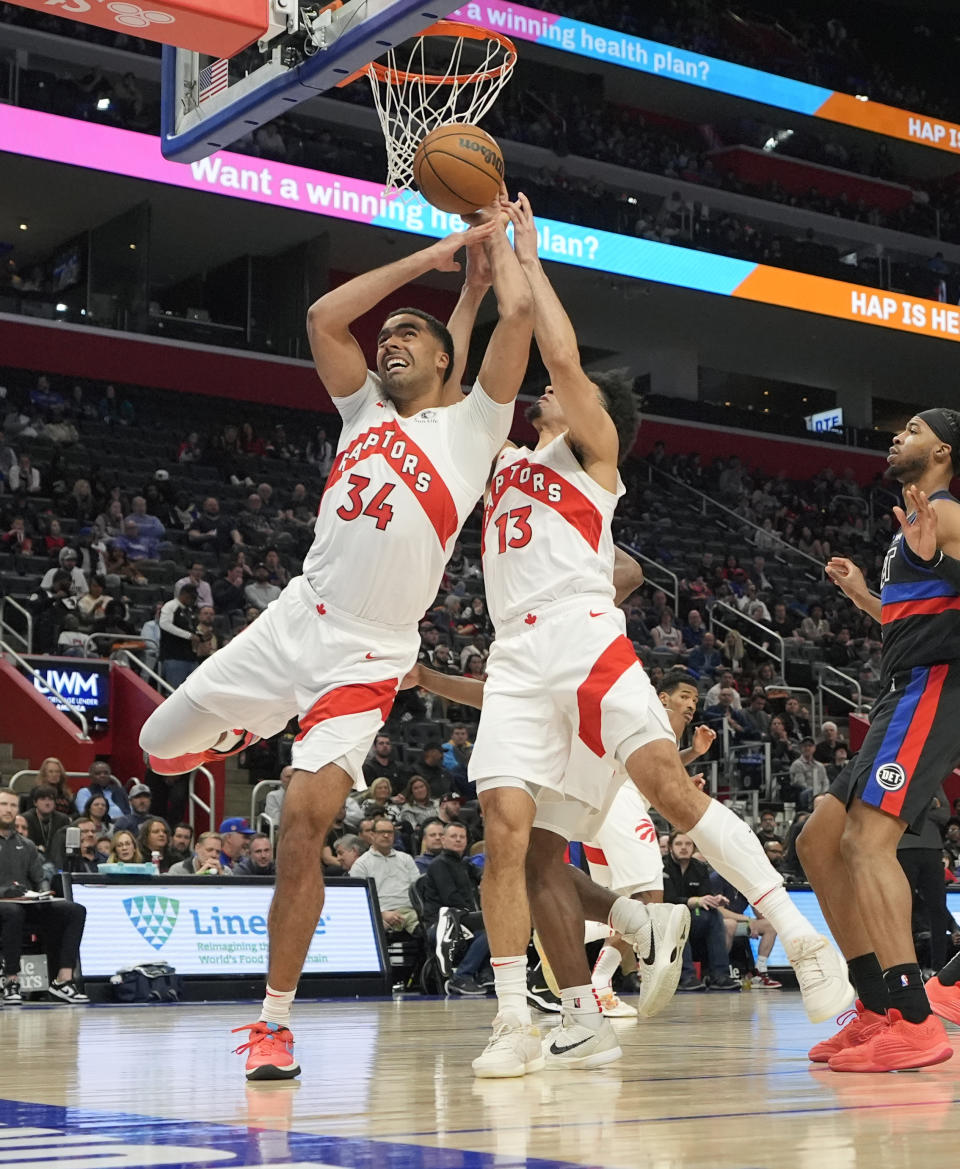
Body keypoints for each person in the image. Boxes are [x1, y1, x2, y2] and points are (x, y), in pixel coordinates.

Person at [460, 193, 849, 1077]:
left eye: (563, 391)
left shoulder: (593, 454)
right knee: (516, 837)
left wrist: (529, 253)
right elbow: (499, 360)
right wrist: (485, 280)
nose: (547, 391)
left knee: (667, 787)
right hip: (515, 650)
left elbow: (556, 350)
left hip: (581, 630)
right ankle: (536, 1017)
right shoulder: (506, 461)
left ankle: (798, 934)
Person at [142, 213, 532, 1082]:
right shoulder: (362, 409)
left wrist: (504, 265)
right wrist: (439, 268)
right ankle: (247, 726)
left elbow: (515, 325)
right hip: (293, 621)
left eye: (407, 336)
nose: (388, 338)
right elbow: (324, 317)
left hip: (368, 657)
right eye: (385, 332)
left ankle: (274, 1022)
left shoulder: (473, 432)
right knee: (158, 752)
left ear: (443, 362)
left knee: (303, 826)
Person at [799, 408, 960, 1072]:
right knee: (816, 838)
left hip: (934, 686)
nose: (898, 436)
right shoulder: (919, 525)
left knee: (867, 841)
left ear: (944, 450)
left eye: (913, 429)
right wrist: (865, 595)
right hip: (901, 687)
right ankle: (873, 1007)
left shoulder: (947, 513)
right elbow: (911, 616)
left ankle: (914, 1019)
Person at [0, 789, 89, 1004]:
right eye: (3, 804)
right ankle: (10, 980)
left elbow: (39, 878)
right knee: (13, 911)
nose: (8, 810)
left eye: (13, 805)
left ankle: (63, 980)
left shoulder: (27, 845)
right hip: (6, 906)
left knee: (75, 910)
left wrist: (43, 892)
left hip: (25, 903)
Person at [422, 821, 491, 996]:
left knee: (492, 928)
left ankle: (485, 974)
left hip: (461, 919)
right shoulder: (439, 864)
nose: (458, 840)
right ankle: (461, 977)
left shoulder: (464, 864)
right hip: (442, 923)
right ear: (443, 840)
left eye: (462, 837)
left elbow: (483, 874)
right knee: (492, 926)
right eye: (454, 836)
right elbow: (450, 899)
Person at [663, 832, 738, 992]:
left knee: (714, 915)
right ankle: (686, 977)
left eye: (688, 844)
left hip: (693, 916)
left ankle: (719, 975)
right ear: (670, 847)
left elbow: (706, 895)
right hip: (667, 918)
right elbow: (667, 900)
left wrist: (715, 900)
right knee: (679, 917)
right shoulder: (662, 867)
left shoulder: (700, 867)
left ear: (694, 847)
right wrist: (696, 901)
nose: (684, 848)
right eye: (679, 844)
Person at [349, 817, 420, 933]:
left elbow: (417, 890)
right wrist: (381, 913)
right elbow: (358, 899)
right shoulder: (361, 864)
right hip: (379, 914)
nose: (386, 836)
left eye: (390, 832)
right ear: (372, 835)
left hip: (410, 911)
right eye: (382, 832)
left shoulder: (406, 859)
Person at [23, 785, 70, 856]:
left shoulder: (63, 819)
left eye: (51, 799)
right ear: (35, 802)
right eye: (43, 799)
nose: (47, 803)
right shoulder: (26, 819)